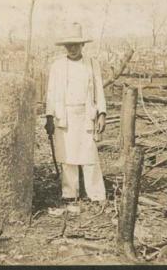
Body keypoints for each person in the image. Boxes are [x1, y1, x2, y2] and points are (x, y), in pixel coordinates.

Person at [45, 22, 107, 215]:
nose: (72, 48)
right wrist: (49, 116)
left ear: (83, 45)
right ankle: (70, 194)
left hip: (86, 114)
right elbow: (51, 92)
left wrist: (102, 113)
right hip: (65, 115)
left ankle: (96, 195)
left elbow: (99, 90)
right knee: (68, 156)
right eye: (68, 45)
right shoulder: (57, 66)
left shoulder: (91, 63)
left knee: (89, 156)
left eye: (76, 44)